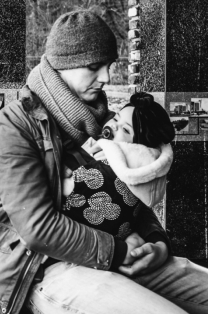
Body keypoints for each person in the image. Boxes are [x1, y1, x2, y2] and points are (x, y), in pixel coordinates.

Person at [0, 9, 208, 314]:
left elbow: (130, 195)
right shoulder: (14, 125)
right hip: (48, 269)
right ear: (62, 66)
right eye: (94, 67)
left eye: (109, 65)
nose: (106, 77)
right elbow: (37, 228)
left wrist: (156, 242)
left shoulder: (106, 120)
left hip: (124, 253)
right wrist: (118, 251)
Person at [61, 92, 175, 241]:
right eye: (115, 118)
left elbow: (59, 186)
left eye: (126, 130)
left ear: (138, 146)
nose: (114, 125)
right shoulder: (141, 177)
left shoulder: (107, 170)